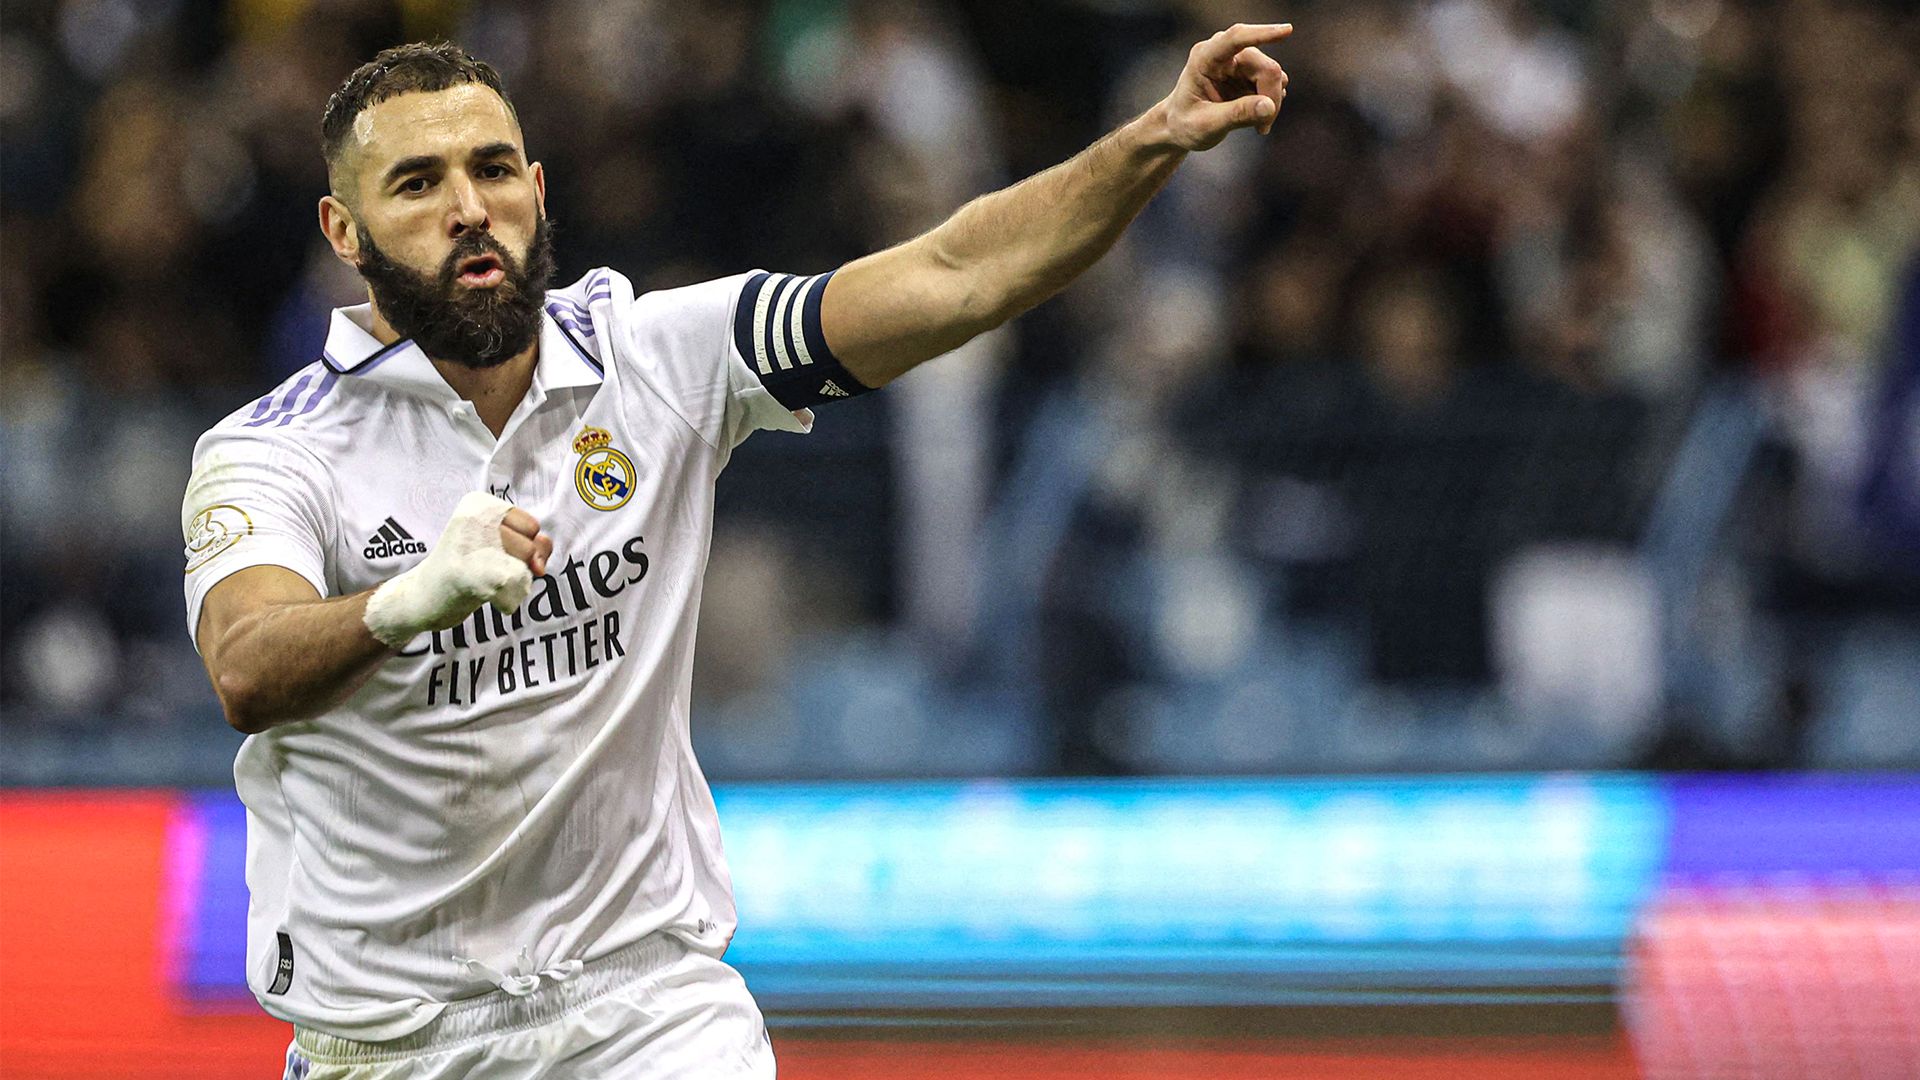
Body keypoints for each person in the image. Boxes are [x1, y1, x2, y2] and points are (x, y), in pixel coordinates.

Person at [182, 27, 1292, 1079]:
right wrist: (407, 601)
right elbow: (246, 660)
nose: (471, 209)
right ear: (344, 231)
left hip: (646, 1006)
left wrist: (1155, 137)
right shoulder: (274, 452)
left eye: (494, 169)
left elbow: (960, 274)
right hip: (394, 1038)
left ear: (539, 188)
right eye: (418, 185)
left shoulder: (655, 358)